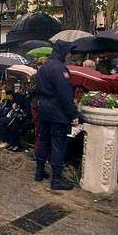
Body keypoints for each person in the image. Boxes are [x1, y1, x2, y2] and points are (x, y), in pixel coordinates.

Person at [35, 40, 79, 191]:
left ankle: (39, 172)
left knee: (44, 141)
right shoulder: (60, 69)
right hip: (58, 113)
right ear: (62, 52)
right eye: (68, 53)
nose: (69, 56)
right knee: (58, 145)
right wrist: (73, 113)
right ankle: (56, 179)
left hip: (45, 111)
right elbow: (65, 94)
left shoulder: (43, 67)